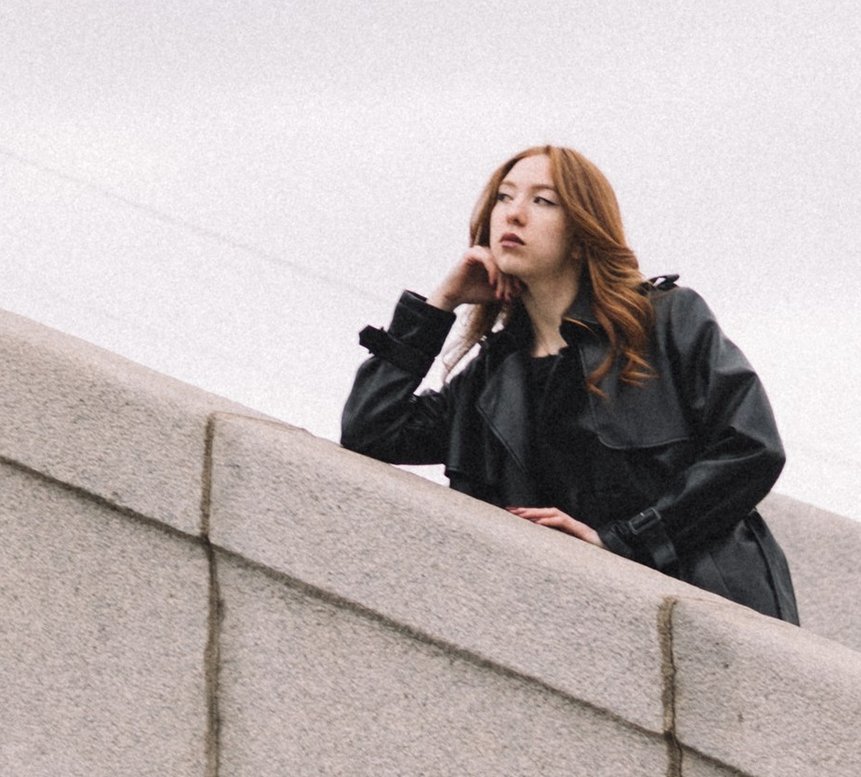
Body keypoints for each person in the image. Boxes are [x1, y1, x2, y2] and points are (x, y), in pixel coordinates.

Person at [341, 144, 799, 620]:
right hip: (581, 626)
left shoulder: (665, 320)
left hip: (711, 607)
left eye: (542, 201)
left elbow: (752, 448)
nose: (514, 214)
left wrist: (620, 541)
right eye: (504, 197)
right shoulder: (492, 379)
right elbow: (370, 433)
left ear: (582, 234)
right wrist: (440, 304)